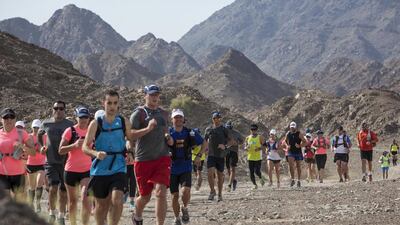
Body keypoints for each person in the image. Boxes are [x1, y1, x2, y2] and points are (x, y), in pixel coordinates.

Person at [83, 90, 132, 225]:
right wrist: (95, 153)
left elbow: (129, 139)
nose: (112, 106)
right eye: (109, 103)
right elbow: (84, 147)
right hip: (100, 170)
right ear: (103, 103)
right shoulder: (95, 123)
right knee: (101, 206)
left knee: (117, 199)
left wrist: (130, 150)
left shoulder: (123, 122)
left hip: (119, 167)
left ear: (118, 104)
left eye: (115, 103)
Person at [129, 85, 173, 225]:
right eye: (152, 94)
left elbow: (166, 130)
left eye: (157, 95)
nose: (155, 97)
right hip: (143, 159)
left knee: (161, 193)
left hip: (162, 158)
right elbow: (130, 135)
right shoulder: (139, 114)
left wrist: (168, 137)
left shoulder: (164, 114)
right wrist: (147, 129)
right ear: (145, 96)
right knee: (145, 197)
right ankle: (137, 214)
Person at [38, 101, 74, 225]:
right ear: (52, 109)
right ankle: (52, 213)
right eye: (56, 108)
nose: (58, 110)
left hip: (66, 162)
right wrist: (42, 146)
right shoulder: (46, 123)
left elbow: (74, 138)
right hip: (51, 161)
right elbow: (39, 135)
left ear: (65, 110)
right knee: (53, 187)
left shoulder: (70, 124)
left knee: (63, 190)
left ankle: (61, 215)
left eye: (61, 108)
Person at [168, 109, 205, 225]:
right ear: (172, 119)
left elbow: (204, 143)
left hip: (185, 166)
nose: (178, 119)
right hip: (171, 168)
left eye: (180, 117)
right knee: (174, 195)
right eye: (176, 117)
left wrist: (199, 155)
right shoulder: (167, 133)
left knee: (185, 191)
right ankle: (176, 218)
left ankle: (184, 208)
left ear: (183, 119)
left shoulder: (190, 132)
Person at [59, 107, 92, 225]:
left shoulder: (92, 131)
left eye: (86, 117)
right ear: (76, 118)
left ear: (89, 118)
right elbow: (61, 150)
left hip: (87, 170)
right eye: (81, 117)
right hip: (71, 170)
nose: (83, 120)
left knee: (85, 198)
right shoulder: (70, 131)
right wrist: (74, 145)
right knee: (72, 201)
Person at [0, 108, 35, 201]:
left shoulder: (22, 133)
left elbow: (33, 152)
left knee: (19, 204)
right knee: (4, 202)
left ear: (15, 119)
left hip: (18, 174)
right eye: (6, 117)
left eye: (11, 117)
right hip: (2, 174)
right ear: (1, 119)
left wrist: (23, 147)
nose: (9, 120)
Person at [204, 111, 230, 202]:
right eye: (215, 118)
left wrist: (225, 146)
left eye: (218, 118)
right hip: (211, 154)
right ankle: (212, 191)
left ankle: (219, 194)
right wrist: (204, 150)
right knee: (210, 172)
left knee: (220, 176)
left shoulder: (224, 129)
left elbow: (230, 141)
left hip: (220, 155)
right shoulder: (208, 129)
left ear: (220, 119)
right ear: (212, 119)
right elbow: (205, 140)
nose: (217, 120)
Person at [26, 119, 46, 212]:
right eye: (34, 127)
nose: (36, 129)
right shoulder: (28, 137)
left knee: (39, 183)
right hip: (30, 164)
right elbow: (27, 149)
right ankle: (31, 204)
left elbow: (46, 149)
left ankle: (37, 203)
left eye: (38, 127)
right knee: (32, 187)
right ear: (32, 127)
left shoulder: (44, 137)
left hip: (41, 164)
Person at [284, 122, 307, 187]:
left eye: (293, 126)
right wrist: (287, 145)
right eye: (291, 126)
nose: (292, 127)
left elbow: (305, 142)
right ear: (290, 127)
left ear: (295, 127)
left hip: (298, 152)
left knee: (298, 166)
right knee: (291, 165)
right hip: (290, 151)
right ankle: (293, 179)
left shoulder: (299, 134)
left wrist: (300, 145)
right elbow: (285, 141)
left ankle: (299, 180)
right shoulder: (288, 134)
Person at [244, 124, 266, 190]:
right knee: (251, 172)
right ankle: (254, 184)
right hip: (250, 157)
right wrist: (246, 148)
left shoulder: (260, 137)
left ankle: (261, 177)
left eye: (255, 130)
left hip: (258, 157)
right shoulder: (247, 138)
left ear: (257, 130)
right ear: (250, 130)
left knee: (257, 171)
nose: (253, 131)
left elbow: (264, 145)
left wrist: (259, 148)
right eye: (252, 130)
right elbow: (245, 146)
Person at [224, 121, 244, 192]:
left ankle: (229, 185)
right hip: (226, 152)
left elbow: (242, 141)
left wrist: (236, 143)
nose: (228, 129)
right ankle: (234, 180)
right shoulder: (224, 133)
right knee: (228, 169)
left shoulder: (236, 133)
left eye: (229, 127)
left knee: (232, 168)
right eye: (227, 127)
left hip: (234, 152)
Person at [125, 139, 136, 211]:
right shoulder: (123, 141)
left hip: (133, 165)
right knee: (124, 182)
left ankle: (132, 201)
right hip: (124, 165)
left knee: (133, 182)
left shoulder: (135, 141)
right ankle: (125, 193)